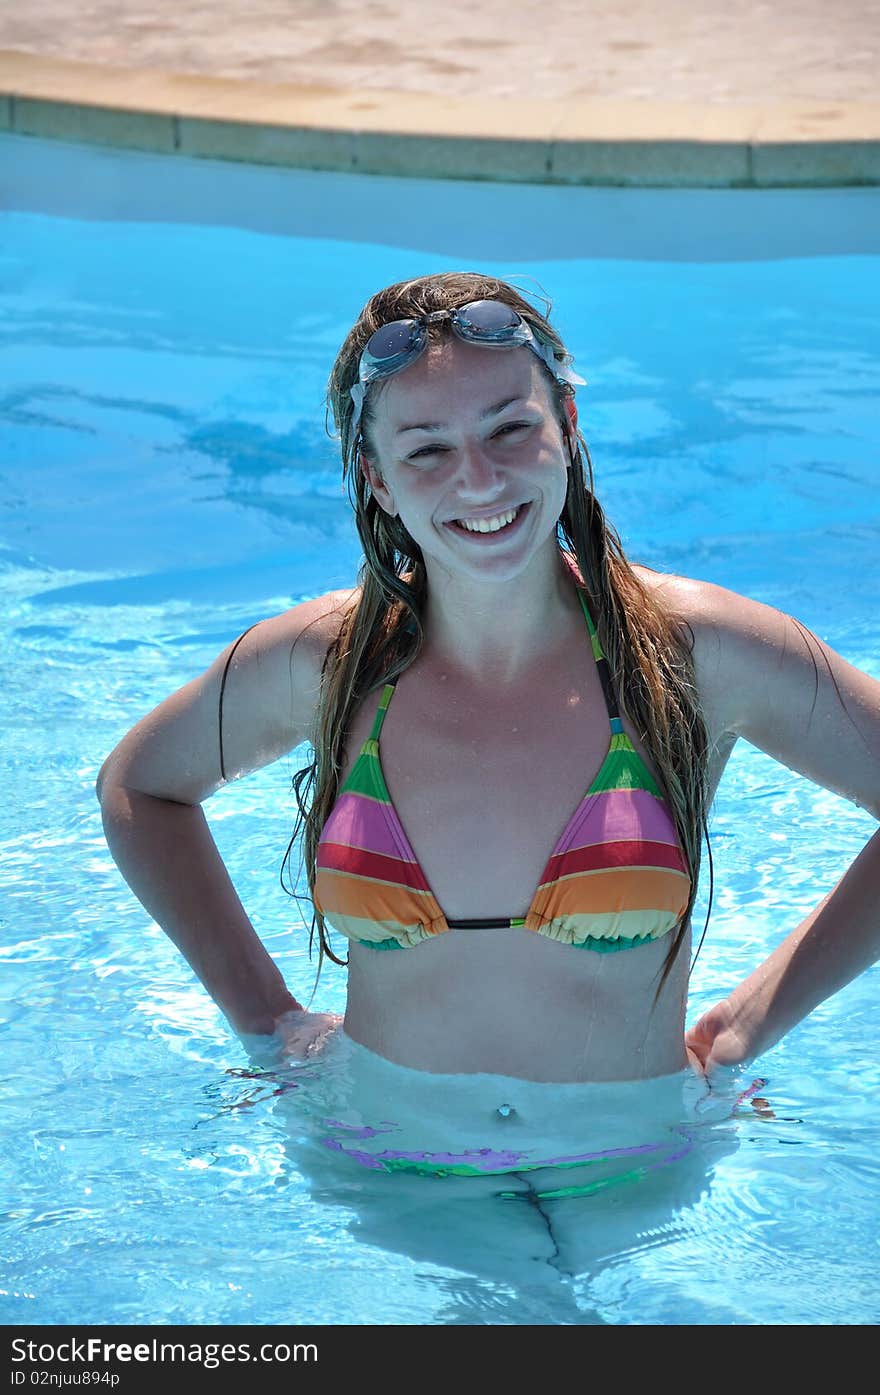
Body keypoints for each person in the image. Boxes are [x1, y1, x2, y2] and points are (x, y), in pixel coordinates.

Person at [96, 271, 880, 1088]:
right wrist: (263, 1015)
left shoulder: (693, 652)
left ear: (567, 426)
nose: (479, 480)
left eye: (510, 428)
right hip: (381, 1162)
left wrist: (743, 1027)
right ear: (377, 479)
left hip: (629, 1173)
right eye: (428, 449)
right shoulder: (327, 663)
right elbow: (138, 787)